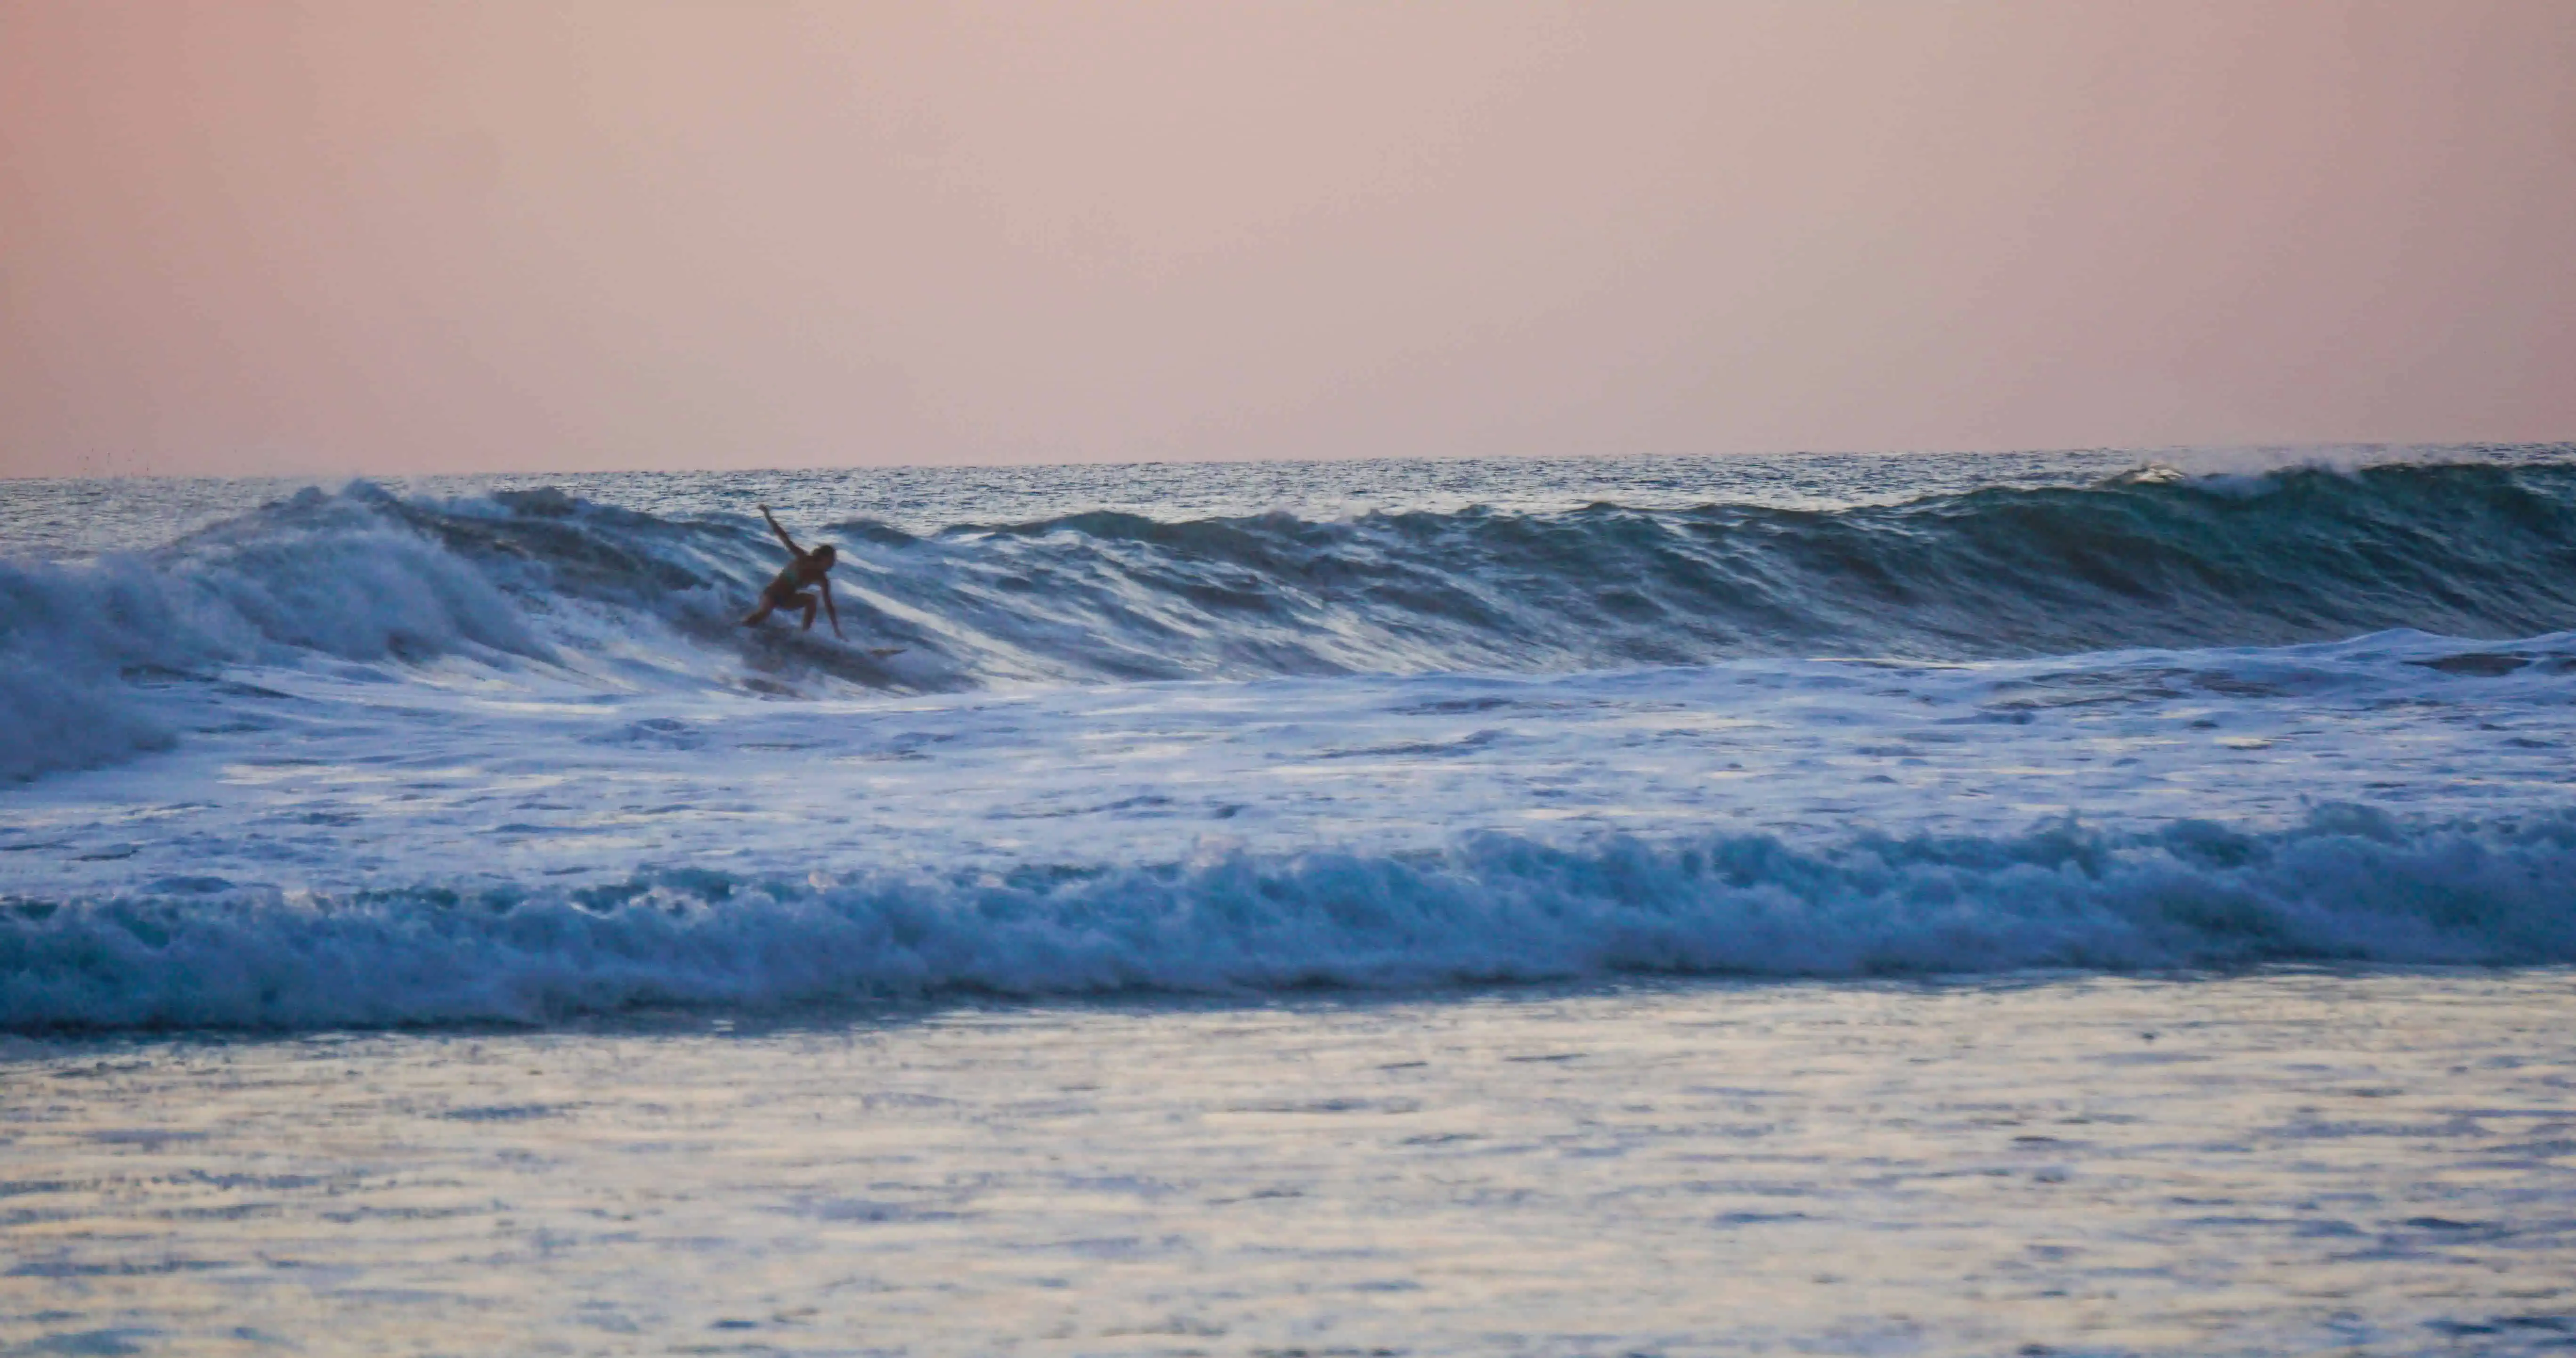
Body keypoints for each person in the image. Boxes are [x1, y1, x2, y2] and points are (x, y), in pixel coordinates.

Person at [741, 504, 843, 637]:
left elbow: (829, 606)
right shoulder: (803, 559)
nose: (833, 564)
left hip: (788, 599)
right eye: (831, 560)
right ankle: (737, 629)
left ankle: (804, 634)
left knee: (812, 600)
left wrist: (837, 631)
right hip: (772, 593)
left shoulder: (822, 579)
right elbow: (784, 537)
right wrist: (767, 515)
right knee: (762, 615)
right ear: (822, 558)